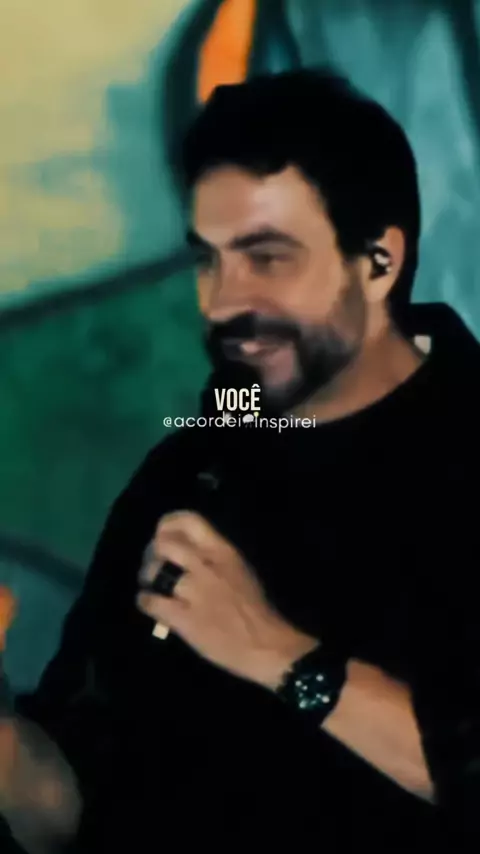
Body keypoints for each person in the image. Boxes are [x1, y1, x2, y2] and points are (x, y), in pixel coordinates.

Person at [1, 68, 479, 853]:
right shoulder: (190, 470)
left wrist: (275, 653)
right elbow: (71, 804)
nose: (221, 302)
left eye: (267, 258)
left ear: (378, 262)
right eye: (208, 260)